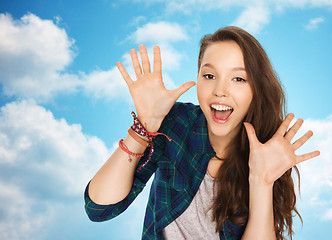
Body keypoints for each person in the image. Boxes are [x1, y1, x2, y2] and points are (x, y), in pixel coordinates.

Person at [84, 26, 320, 240]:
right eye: (209, 76)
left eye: (238, 78)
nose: (220, 91)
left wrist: (261, 180)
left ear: (257, 89)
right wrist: (144, 127)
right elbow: (99, 209)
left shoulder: (268, 153)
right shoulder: (177, 123)